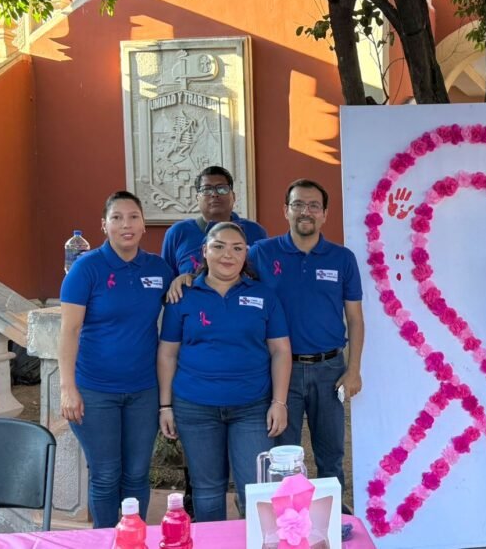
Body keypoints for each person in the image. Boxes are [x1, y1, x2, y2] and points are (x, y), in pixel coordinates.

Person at [158, 221, 291, 522]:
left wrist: (279, 402)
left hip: (252, 408)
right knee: (206, 491)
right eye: (218, 246)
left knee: (255, 490)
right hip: (195, 408)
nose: (227, 255)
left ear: (246, 255)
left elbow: (280, 350)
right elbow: (167, 352)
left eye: (237, 248)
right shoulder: (183, 295)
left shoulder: (264, 296)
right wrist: (165, 406)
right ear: (204, 251)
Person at [58, 191, 173, 527]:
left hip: (143, 390)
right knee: (107, 474)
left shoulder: (157, 268)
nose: (126, 224)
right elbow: (69, 331)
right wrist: (68, 388)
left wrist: (183, 279)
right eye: (118, 217)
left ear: (143, 223)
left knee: (137, 473)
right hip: (95, 390)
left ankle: (133, 537)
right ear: (104, 225)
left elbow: (183, 302)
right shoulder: (86, 268)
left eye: (134, 216)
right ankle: (106, 539)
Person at [248, 178, 364, 494]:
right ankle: (288, 526)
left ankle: (334, 523)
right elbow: (220, 267)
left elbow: (354, 318)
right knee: (282, 457)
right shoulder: (261, 253)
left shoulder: (342, 258)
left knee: (331, 457)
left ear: (325, 214)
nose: (306, 211)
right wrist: (188, 277)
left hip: (329, 370)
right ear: (286, 210)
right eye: (298, 204)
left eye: (314, 205)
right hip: (279, 371)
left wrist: (353, 369)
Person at [162, 166, 267, 275]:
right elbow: (167, 280)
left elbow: (264, 276)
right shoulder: (178, 232)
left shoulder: (255, 231)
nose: (215, 194)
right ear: (197, 198)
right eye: (206, 190)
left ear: (233, 196)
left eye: (222, 188)